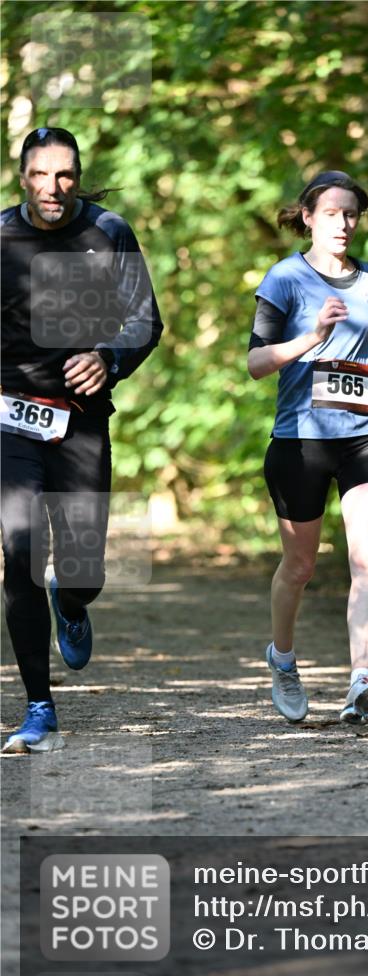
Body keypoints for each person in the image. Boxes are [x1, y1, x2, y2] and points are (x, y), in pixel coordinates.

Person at [1, 127, 163, 752]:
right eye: (40, 174)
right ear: (22, 177)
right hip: (9, 418)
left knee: (83, 566)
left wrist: (110, 357)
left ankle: (72, 601)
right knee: (19, 552)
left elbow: (145, 319)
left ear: (78, 175)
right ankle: (39, 707)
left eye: (65, 174)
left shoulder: (108, 232)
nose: (53, 187)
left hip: (80, 420)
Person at [248, 170, 368, 724]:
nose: (344, 223)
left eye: (352, 214)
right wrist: (310, 337)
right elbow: (255, 362)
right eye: (333, 213)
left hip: (367, 433)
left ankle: (360, 679)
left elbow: (357, 351)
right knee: (299, 566)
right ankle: (283, 659)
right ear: (309, 218)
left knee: (366, 556)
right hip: (301, 438)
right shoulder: (284, 278)